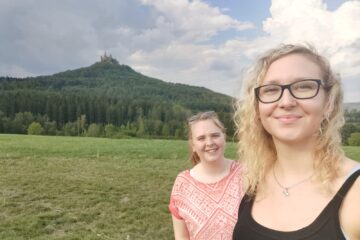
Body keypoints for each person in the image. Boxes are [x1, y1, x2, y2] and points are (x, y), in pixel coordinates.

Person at [232, 44, 360, 240]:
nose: (286, 102)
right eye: (271, 89)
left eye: (303, 87)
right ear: (257, 107)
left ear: (329, 103)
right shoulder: (252, 179)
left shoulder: (356, 192)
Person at [169, 111, 244, 239]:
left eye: (215, 135)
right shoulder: (182, 185)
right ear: (193, 145)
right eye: (201, 138)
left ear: (224, 137)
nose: (209, 143)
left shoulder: (246, 174)